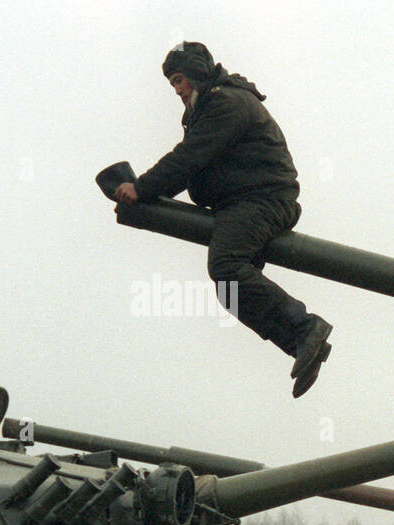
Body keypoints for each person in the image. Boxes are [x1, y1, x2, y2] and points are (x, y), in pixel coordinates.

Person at [113, 42, 332, 398]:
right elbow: (191, 166)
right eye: (172, 84)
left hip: (262, 199)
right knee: (230, 291)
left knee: (227, 265)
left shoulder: (227, 103)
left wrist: (142, 187)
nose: (178, 90)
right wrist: (144, 192)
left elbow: (190, 159)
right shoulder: (209, 108)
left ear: (197, 72)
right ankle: (302, 342)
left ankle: (307, 329)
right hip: (240, 203)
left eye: (180, 79)